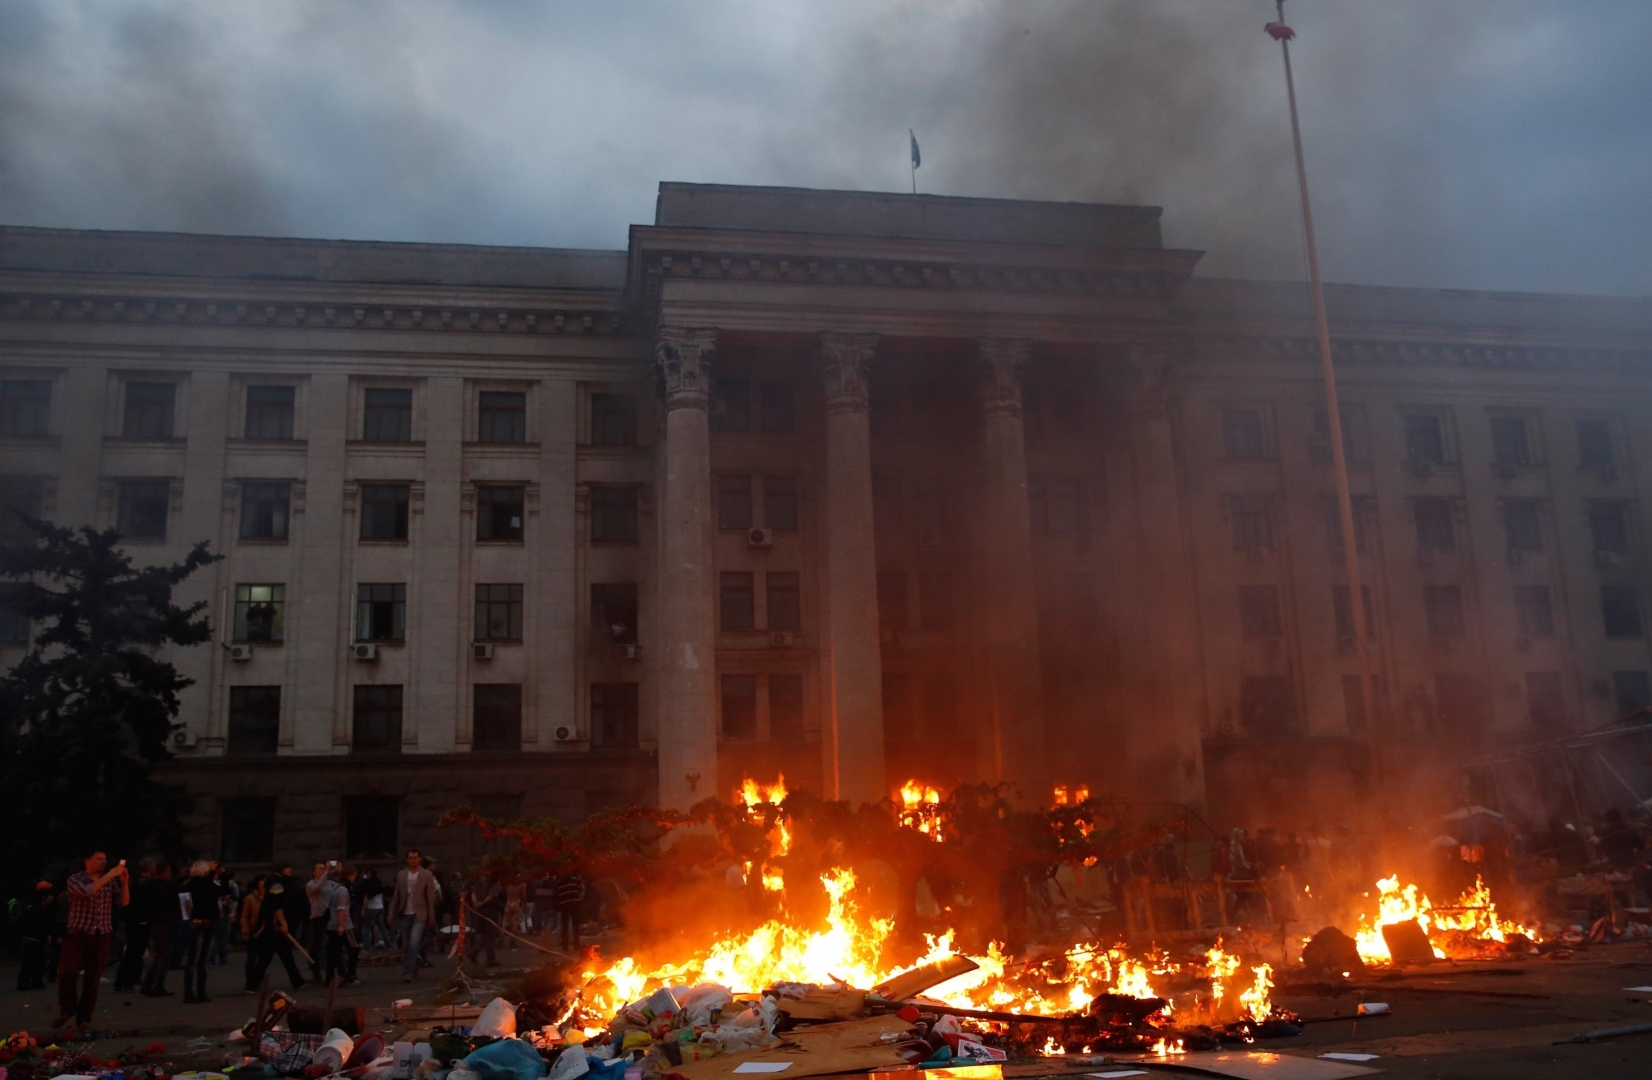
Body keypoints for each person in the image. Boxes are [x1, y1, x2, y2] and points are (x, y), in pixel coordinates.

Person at [53, 849, 130, 1033]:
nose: (104, 863)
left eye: (105, 859)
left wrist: (124, 883)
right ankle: (67, 1008)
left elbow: (124, 902)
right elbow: (87, 892)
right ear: (88, 861)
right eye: (99, 859)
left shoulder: (109, 881)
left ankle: (84, 1018)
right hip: (78, 933)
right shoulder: (76, 879)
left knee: (93, 978)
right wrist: (110, 874)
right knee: (68, 972)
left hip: (101, 933)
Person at [246, 875, 305, 991]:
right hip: (274, 931)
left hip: (272, 930)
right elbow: (277, 909)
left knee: (277, 958)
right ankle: (252, 984)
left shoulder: (268, 894)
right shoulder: (276, 890)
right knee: (270, 958)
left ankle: (297, 981)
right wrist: (284, 924)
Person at [390, 848, 437, 983]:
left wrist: (431, 916)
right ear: (407, 859)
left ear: (420, 859)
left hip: (419, 914)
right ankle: (415, 962)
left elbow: (430, 897)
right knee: (405, 945)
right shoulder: (402, 875)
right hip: (404, 913)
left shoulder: (426, 875)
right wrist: (391, 913)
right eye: (410, 858)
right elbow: (397, 895)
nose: (413, 860)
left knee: (414, 942)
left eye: (415, 857)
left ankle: (407, 972)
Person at [113, 859, 157, 991]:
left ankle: (129, 978)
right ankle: (126, 980)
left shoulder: (133, 883)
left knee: (133, 950)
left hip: (131, 920)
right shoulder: (148, 884)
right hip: (141, 920)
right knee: (136, 951)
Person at [182, 860, 221, 1003]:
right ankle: (194, 992)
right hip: (203, 922)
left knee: (199, 959)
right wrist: (213, 872)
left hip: (203, 922)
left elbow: (220, 890)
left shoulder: (196, 884)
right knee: (197, 959)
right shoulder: (199, 884)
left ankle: (196, 992)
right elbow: (211, 888)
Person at [140, 862, 177, 996]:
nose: (170, 874)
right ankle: (158, 985)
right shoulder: (167, 886)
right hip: (165, 922)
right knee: (163, 955)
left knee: (158, 954)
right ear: (164, 872)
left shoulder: (148, 885)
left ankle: (148, 984)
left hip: (153, 922)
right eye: (169, 871)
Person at [322, 864, 360, 987]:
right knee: (353, 949)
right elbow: (341, 909)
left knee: (333, 952)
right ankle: (351, 976)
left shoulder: (335, 888)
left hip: (332, 924)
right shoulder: (343, 890)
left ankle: (329, 978)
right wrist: (342, 925)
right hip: (344, 924)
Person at [15, 881, 54, 991]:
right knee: (36, 961)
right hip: (36, 938)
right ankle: (34, 982)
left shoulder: (31, 907)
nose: (52, 898)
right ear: (44, 897)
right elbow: (43, 924)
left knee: (29, 962)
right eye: (50, 896)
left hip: (30, 937)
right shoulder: (41, 909)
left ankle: (27, 983)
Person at [463, 876, 504, 968]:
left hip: (481, 910)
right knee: (490, 934)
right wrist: (480, 903)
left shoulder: (479, 881)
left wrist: (476, 903)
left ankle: (474, 952)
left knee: (485, 934)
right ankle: (491, 959)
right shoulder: (494, 882)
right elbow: (491, 896)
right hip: (491, 910)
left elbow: (473, 893)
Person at [240, 876, 267, 992]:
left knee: (264, 958)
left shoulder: (269, 898)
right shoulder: (250, 898)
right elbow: (244, 916)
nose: (264, 883)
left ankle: (256, 980)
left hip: (266, 931)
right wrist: (245, 931)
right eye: (262, 881)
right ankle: (250, 983)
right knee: (252, 957)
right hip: (254, 930)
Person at [304, 862, 329, 983]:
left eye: (324, 868)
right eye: (320, 869)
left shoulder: (327, 884)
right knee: (317, 945)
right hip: (317, 917)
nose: (323, 870)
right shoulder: (311, 884)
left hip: (328, 916)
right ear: (314, 872)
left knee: (329, 944)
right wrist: (327, 872)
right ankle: (316, 972)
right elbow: (317, 888)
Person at [554, 870, 585, 954]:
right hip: (575, 903)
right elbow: (581, 889)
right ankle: (576, 945)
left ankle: (565, 946)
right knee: (575, 925)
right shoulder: (575, 878)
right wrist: (579, 899)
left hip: (564, 905)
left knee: (565, 926)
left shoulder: (559, 881)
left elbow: (556, 893)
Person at [357, 867, 388, 949]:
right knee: (382, 926)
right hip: (380, 907)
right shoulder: (379, 882)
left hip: (371, 907)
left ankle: (366, 945)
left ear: (369, 874)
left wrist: (363, 910)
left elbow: (366, 898)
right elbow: (382, 896)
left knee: (366, 926)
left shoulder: (368, 883)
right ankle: (388, 944)